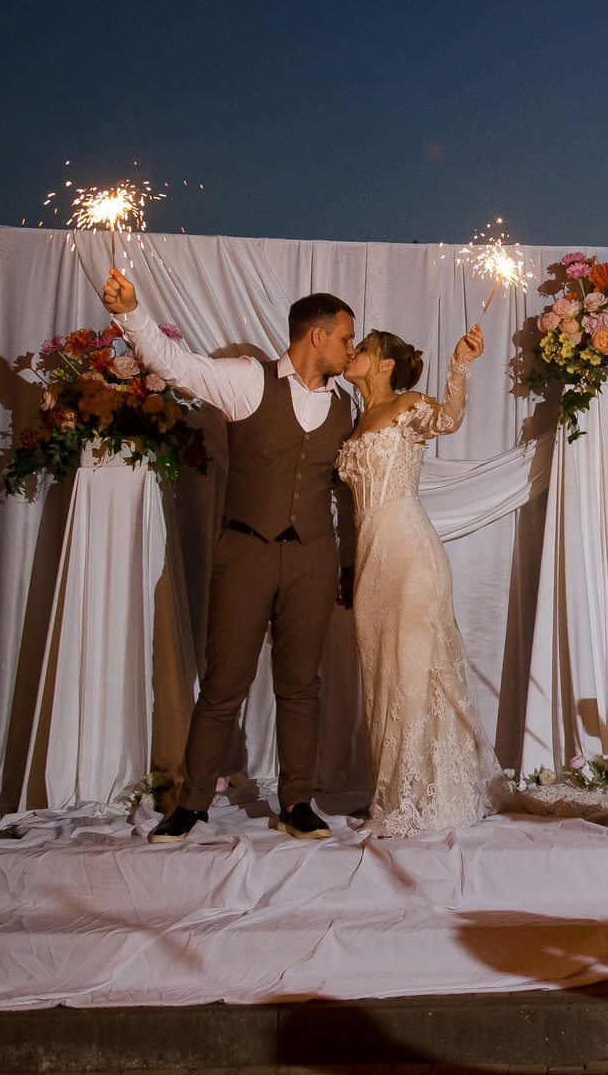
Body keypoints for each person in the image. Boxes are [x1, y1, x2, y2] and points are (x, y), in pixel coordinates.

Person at [106, 268, 359, 843]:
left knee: (302, 684)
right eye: (346, 337)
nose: (351, 348)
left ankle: (296, 801)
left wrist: (346, 565)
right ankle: (191, 805)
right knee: (223, 684)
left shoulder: (346, 405)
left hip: (313, 559)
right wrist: (131, 312)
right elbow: (176, 364)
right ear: (315, 336)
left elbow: (347, 492)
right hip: (245, 551)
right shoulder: (248, 380)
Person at [337, 323, 497, 835]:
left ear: (384, 364)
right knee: (380, 671)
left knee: (413, 668)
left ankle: (416, 796)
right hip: (369, 558)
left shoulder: (406, 406)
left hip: (410, 550)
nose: (353, 352)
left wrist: (461, 365)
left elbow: (449, 419)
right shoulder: (354, 424)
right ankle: (393, 788)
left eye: (362, 348)